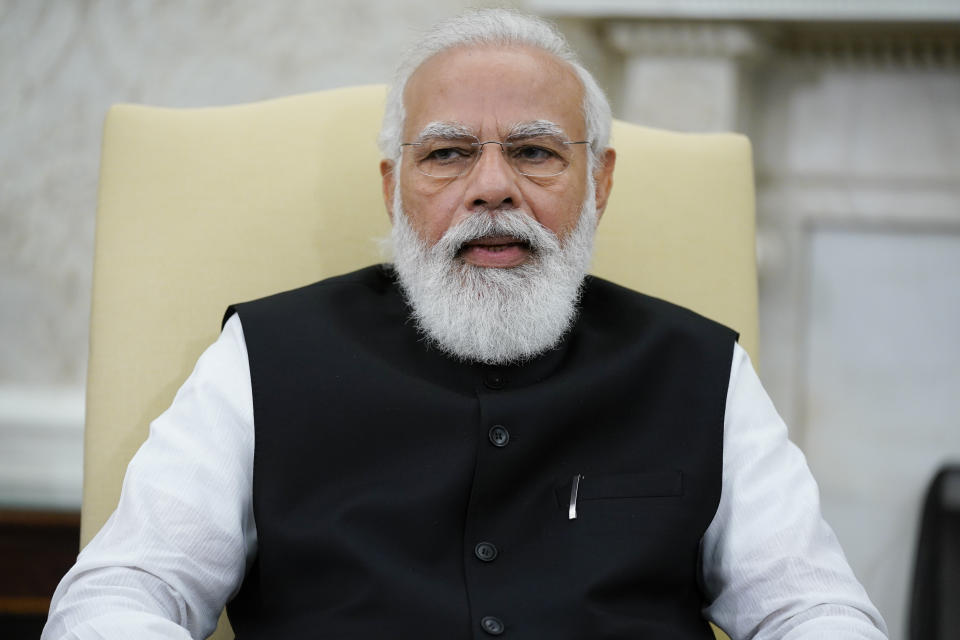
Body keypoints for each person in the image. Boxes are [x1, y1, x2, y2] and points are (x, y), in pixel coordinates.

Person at [43, 9, 888, 640]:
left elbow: (810, 607)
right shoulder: (262, 360)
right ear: (392, 187)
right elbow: (123, 592)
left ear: (598, 183)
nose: (492, 188)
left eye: (534, 151)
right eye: (448, 153)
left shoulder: (701, 370)